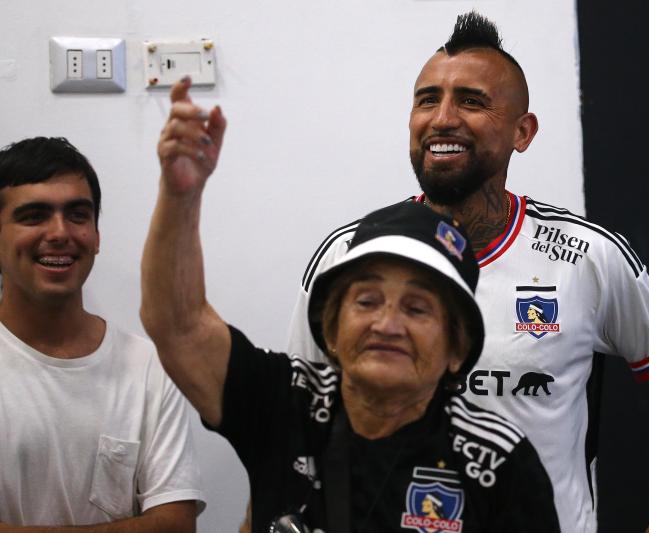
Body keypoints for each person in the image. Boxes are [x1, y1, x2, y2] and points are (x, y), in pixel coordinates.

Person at [287, 11, 649, 533]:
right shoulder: (349, 256)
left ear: (523, 131)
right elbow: (292, 423)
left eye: (470, 101)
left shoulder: (586, 257)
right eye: (428, 99)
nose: (442, 118)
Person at [140, 77, 561, 533]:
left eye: (417, 309)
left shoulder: (497, 461)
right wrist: (181, 195)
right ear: (332, 328)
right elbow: (177, 325)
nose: (387, 323)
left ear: (456, 348)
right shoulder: (287, 406)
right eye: (366, 299)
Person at [0, 137, 204, 531]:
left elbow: (176, 525)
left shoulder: (149, 367)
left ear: (96, 235)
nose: (60, 233)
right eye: (34, 216)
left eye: (78, 215)